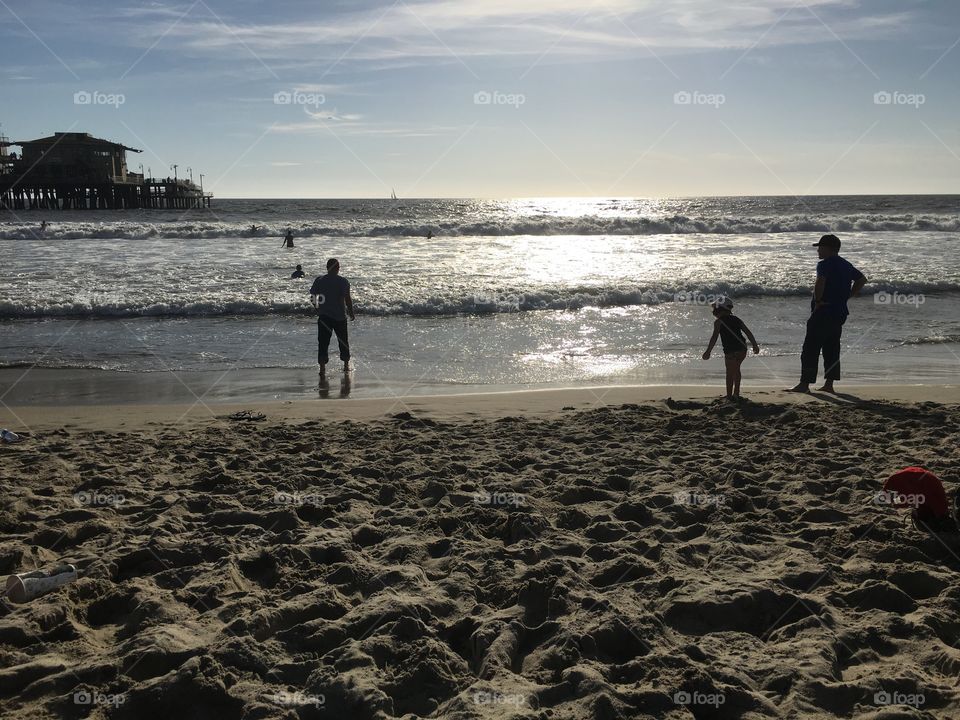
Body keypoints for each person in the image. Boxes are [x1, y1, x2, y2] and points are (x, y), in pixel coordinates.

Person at [787, 234, 867, 394]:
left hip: (823, 311)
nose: (818, 251)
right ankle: (829, 384)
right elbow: (862, 279)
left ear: (829, 249)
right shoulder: (845, 264)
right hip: (839, 313)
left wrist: (817, 301)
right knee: (832, 348)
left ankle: (804, 384)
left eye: (820, 247)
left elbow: (820, 282)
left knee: (810, 348)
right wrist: (848, 296)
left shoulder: (824, 264)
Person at [702, 297, 760, 399]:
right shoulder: (737, 319)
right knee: (736, 369)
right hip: (742, 349)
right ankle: (736, 393)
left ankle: (729, 396)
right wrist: (755, 345)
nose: (713, 311)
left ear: (720, 309)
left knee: (729, 373)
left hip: (730, 351)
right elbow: (748, 332)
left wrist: (708, 351)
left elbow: (714, 338)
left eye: (715, 308)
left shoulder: (718, 322)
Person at [309, 258, 355, 381]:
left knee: (323, 342)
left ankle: (322, 368)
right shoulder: (343, 281)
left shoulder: (320, 280)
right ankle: (346, 365)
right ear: (337, 267)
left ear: (327, 267)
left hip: (324, 317)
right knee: (343, 342)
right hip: (340, 317)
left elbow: (313, 296)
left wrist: (317, 308)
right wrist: (351, 312)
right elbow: (347, 299)